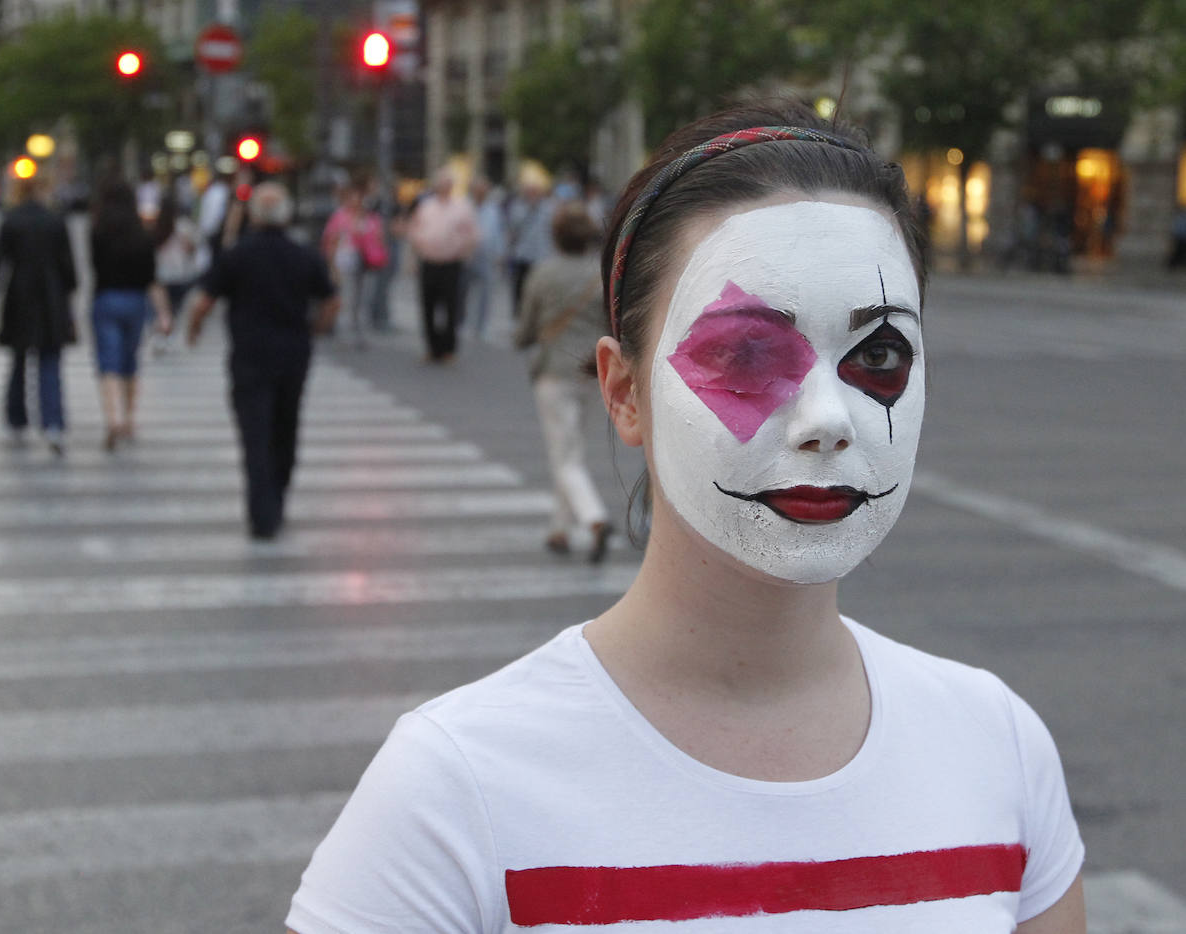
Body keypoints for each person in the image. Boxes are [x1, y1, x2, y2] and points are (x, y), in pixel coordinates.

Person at [286, 101, 1086, 932]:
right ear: (624, 392)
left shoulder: (998, 750)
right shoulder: (454, 795)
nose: (829, 417)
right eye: (744, 355)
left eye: (879, 355)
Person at [185, 182, 338, 540]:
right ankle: (278, 498)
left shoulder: (238, 254)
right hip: (293, 354)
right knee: (286, 428)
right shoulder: (304, 254)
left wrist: (193, 330)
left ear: (253, 215)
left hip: (250, 355)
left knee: (255, 434)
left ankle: (262, 513)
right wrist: (316, 329)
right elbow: (332, 300)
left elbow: (204, 301)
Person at [514, 201, 612, 562]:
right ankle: (559, 529)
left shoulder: (543, 273)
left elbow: (526, 328)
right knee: (571, 450)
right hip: (592, 371)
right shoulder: (601, 275)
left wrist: (522, 338)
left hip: (554, 372)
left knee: (565, 456)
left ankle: (594, 519)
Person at [0, 175, 78, 456]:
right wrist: (72, 309)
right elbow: (69, 271)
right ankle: (53, 422)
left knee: (18, 361)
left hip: (18, 298)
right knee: (50, 363)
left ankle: (16, 419)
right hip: (51, 298)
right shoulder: (56, 222)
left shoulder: (11, 220)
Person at [88, 179, 172, 450]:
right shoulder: (143, 234)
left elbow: (94, 268)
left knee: (108, 364)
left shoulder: (98, 232)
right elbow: (152, 278)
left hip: (106, 299)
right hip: (136, 302)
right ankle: (130, 418)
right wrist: (164, 313)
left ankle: (112, 418)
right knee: (130, 362)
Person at [406, 167, 478, 362]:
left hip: (451, 262)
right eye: (441, 183)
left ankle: (448, 348)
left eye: (447, 183)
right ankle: (432, 347)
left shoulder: (462, 207)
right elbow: (413, 230)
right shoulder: (426, 206)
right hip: (429, 261)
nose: (444, 187)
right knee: (428, 305)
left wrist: (464, 253)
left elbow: (471, 234)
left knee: (451, 306)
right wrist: (413, 257)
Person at [321, 181, 387, 348]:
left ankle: (359, 332)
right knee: (347, 297)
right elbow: (331, 240)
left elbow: (379, 239)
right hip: (347, 261)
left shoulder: (371, 218)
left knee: (363, 297)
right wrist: (332, 264)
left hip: (366, 263)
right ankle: (345, 332)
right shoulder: (340, 217)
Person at [151, 193, 203, 354]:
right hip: (181, 276)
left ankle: (162, 331)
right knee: (175, 309)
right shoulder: (184, 226)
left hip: (160, 275)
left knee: (162, 309)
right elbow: (192, 249)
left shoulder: (156, 226)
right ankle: (167, 333)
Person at [467, 175, 507, 341]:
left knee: (486, 293)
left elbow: (498, 232)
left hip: (487, 256)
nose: (481, 193)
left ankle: (481, 326)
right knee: (464, 291)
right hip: (467, 255)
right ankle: (463, 323)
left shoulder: (493, 209)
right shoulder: (465, 206)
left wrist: (500, 253)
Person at [506, 177, 555, 313]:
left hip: (542, 256)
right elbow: (513, 227)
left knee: (540, 289)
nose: (532, 194)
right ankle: (519, 314)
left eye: (535, 192)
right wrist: (530, 209)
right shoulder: (517, 207)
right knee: (520, 288)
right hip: (523, 255)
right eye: (530, 192)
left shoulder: (548, 207)